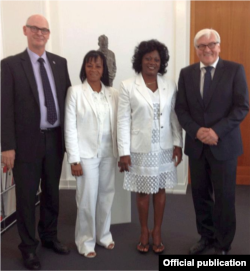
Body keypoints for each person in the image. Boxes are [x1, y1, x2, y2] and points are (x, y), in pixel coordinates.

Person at [0, 15, 71, 270]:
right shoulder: (9, 65)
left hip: (55, 140)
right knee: (27, 198)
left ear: (48, 34)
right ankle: (28, 248)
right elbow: (4, 108)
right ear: (25, 31)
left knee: (52, 193)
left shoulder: (60, 63)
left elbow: (68, 105)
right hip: (25, 144)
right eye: (35, 28)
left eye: (44, 29)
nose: (39, 33)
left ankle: (50, 237)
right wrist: (6, 145)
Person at [175, 28, 249, 255]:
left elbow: (241, 107)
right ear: (196, 49)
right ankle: (205, 237)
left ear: (219, 46)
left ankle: (223, 243)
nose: (207, 49)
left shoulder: (235, 70)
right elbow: (181, 108)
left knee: (225, 197)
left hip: (224, 145)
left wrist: (216, 131)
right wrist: (197, 131)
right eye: (201, 46)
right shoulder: (186, 73)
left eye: (211, 44)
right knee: (200, 195)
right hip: (197, 146)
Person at [117, 40, 183, 254]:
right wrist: (124, 152)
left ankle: (157, 231)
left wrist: (177, 143)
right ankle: (144, 230)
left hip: (163, 147)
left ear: (161, 62)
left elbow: (174, 117)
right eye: (148, 58)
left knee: (160, 189)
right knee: (143, 192)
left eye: (156, 59)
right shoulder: (128, 85)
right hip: (140, 148)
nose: (152, 62)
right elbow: (123, 120)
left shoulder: (169, 84)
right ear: (140, 60)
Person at [65, 50, 118, 258]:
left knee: (106, 195)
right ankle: (85, 241)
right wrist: (74, 159)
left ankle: (103, 235)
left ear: (103, 69)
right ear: (84, 67)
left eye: (98, 65)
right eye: (89, 65)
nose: (93, 69)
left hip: (108, 153)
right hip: (85, 156)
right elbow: (70, 128)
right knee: (87, 198)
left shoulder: (112, 94)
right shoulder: (75, 92)